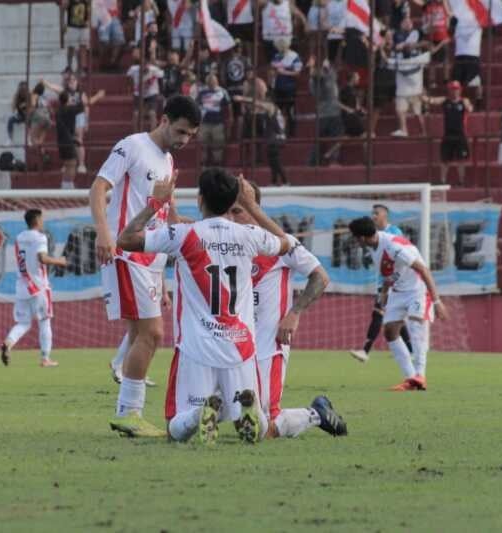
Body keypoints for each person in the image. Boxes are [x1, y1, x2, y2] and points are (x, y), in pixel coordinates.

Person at [116, 169, 291, 444]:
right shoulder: (250, 235)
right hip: (240, 347)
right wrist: (253, 207)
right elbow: (285, 244)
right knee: (259, 430)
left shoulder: (183, 235)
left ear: (200, 200)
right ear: (234, 201)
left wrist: (155, 204)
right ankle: (250, 414)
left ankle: (198, 414)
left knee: (175, 428)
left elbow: (125, 239)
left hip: (197, 347)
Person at [91, 96, 201, 438]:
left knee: (140, 334)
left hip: (150, 259)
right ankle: (129, 413)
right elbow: (98, 188)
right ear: (164, 120)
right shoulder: (132, 146)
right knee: (152, 333)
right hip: (126, 251)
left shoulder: (168, 161)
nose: (185, 140)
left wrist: (208, 228)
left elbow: (167, 217)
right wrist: (104, 233)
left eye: (190, 135)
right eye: (181, 131)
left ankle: (128, 412)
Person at [228, 183, 347, 439]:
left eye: (238, 211)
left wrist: (295, 313)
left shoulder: (281, 245)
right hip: (234, 346)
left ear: (255, 209)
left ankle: (316, 414)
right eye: (228, 212)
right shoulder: (226, 244)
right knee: (242, 423)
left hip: (268, 346)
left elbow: (320, 277)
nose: (232, 218)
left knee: (263, 429)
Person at [349, 216, 448, 391]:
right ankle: (410, 378)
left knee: (416, 325)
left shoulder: (393, 247)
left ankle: (420, 375)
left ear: (362, 238)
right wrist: (384, 293)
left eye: (355, 238)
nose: (356, 241)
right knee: (390, 331)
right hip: (398, 290)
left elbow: (423, 269)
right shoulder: (374, 247)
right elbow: (389, 272)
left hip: (417, 289)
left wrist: (437, 301)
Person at [0, 209, 68, 368]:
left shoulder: (19, 238)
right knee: (45, 321)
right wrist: (60, 261)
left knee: (24, 323)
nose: (43, 221)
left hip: (22, 286)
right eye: (42, 218)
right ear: (37, 220)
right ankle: (45, 358)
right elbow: (42, 258)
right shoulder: (40, 237)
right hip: (39, 286)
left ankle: (8, 342)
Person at [350, 205, 413, 363]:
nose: (374, 216)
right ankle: (411, 350)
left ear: (385, 215)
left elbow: (400, 258)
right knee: (393, 316)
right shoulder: (372, 236)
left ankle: (365, 351)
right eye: (372, 213)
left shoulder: (394, 232)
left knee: (378, 312)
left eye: (376, 213)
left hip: (395, 281)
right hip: (382, 281)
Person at [234, 87, 290, 185]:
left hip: (275, 138)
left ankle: (285, 181)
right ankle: (274, 182)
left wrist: (242, 98)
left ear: (269, 98)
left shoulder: (271, 106)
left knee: (275, 161)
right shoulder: (275, 109)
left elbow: (256, 103)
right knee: (272, 161)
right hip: (273, 138)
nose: (263, 99)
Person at [425, 80, 472, 184]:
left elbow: (470, 108)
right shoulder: (445, 100)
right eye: (452, 89)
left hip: (460, 135)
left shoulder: (464, 101)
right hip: (448, 135)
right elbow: (432, 101)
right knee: (445, 159)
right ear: (449, 90)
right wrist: (423, 97)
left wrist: (467, 106)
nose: (455, 92)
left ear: (460, 90)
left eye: (456, 89)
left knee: (461, 160)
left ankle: (461, 181)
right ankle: (442, 180)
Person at [307, 57, 344, 166]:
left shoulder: (312, 82)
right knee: (336, 138)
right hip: (332, 113)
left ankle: (313, 162)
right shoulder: (328, 80)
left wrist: (313, 67)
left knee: (319, 140)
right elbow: (332, 77)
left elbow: (315, 77)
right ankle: (332, 160)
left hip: (322, 113)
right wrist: (326, 67)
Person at [270, 38, 303, 137]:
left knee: (290, 111)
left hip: (289, 88)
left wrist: (284, 72)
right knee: (277, 112)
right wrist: (273, 75)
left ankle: (292, 133)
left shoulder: (294, 56)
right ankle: (278, 131)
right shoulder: (277, 56)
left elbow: (297, 73)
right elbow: (272, 69)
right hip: (278, 87)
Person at [197, 74, 232, 166]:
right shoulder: (202, 92)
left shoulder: (223, 92)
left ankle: (218, 164)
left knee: (218, 145)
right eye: (209, 82)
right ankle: (204, 165)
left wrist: (230, 118)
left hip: (218, 123)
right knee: (203, 145)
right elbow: (197, 106)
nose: (211, 83)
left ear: (217, 81)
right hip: (204, 123)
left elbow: (229, 105)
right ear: (207, 82)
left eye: (213, 81)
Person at [127, 51, 165, 130]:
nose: (144, 67)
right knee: (136, 114)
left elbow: (161, 79)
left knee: (152, 113)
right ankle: (135, 133)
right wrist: (130, 88)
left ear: (148, 65)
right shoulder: (133, 69)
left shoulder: (154, 70)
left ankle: (152, 133)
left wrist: (161, 92)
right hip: (138, 94)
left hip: (152, 94)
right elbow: (128, 77)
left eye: (146, 65)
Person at [222, 40, 252, 140]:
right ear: (240, 49)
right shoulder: (245, 60)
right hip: (241, 90)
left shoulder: (226, 61)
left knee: (230, 115)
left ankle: (229, 137)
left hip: (229, 90)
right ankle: (238, 138)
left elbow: (223, 78)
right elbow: (249, 76)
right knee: (240, 115)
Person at [418, 0, 451, 89]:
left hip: (443, 36)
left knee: (445, 59)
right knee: (432, 60)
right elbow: (424, 26)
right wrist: (430, 26)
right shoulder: (426, 8)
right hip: (431, 38)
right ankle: (432, 80)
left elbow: (448, 17)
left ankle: (446, 79)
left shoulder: (443, 6)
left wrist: (447, 29)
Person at [451, 20, 484, 110]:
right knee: (456, 81)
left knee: (476, 81)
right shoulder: (457, 23)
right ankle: (456, 102)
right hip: (459, 55)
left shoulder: (478, 23)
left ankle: (479, 101)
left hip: (473, 55)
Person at [93, 0, 125, 72]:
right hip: (103, 16)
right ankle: (102, 64)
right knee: (104, 41)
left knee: (120, 41)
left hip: (114, 16)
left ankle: (112, 63)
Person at [62, 0, 90, 74]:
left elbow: (89, 9)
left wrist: (88, 21)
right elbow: (63, 8)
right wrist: (63, 23)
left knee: (83, 47)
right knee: (70, 47)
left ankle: (83, 67)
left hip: (84, 26)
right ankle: (69, 66)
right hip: (72, 26)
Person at [339, 71, 365, 137]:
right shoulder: (345, 89)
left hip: (353, 115)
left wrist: (361, 110)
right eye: (357, 77)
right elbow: (337, 102)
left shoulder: (353, 89)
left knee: (347, 136)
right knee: (364, 135)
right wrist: (348, 109)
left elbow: (356, 105)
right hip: (349, 117)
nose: (359, 78)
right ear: (352, 78)